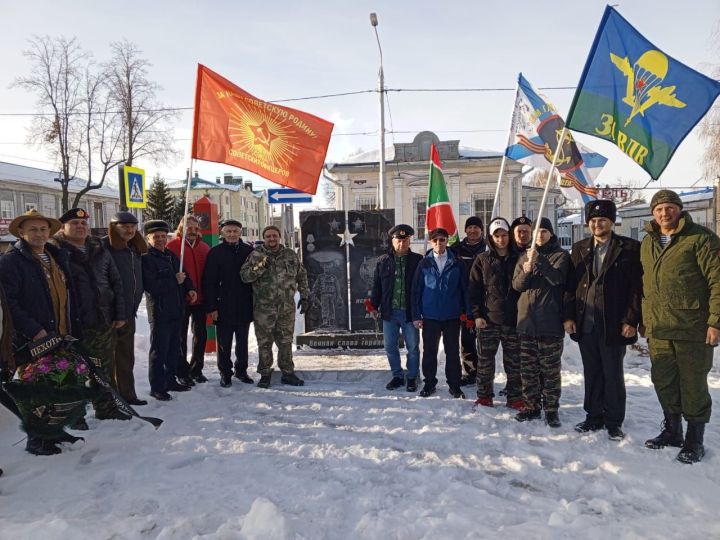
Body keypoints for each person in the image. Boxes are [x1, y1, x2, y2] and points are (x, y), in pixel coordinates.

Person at [640, 190, 720, 464]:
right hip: (659, 328)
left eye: (670, 208)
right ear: (653, 213)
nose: (664, 213)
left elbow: (717, 282)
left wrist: (715, 322)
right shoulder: (647, 242)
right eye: (659, 209)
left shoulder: (701, 239)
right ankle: (673, 431)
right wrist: (645, 320)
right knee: (664, 381)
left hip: (692, 328)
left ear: (679, 210)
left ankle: (694, 441)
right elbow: (646, 286)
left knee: (693, 384)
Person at [0, 209, 85, 454]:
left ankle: (53, 431)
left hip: (59, 333)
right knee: (37, 389)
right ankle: (37, 440)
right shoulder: (11, 261)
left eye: (43, 229)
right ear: (21, 232)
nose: (39, 234)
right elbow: (9, 303)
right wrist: (34, 330)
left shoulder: (55, 256)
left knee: (57, 387)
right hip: (32, 340)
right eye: (33, 229)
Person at [563, 200, 642, 441]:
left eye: (602, 220)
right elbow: (570, 285)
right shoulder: (579, 248)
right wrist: (568, 317)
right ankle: (593, 416)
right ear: (588, 224)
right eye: (593, 221)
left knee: (612, 373)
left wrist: (631, 319)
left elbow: (636, 289)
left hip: (614, 323)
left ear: (611, 221)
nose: (597, 224)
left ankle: (614, 421)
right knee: (592, 372)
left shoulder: (629, 248)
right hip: (586, 322)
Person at [54, 208, 129, 421]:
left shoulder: (98, 249)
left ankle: (107, 408)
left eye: (83, 223)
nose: (80, 227)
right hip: (72, 324)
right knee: (72, 372)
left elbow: (115, 282)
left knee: (103, 368)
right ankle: (75, 417)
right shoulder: (56, 251)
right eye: (75, 224)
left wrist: (119, 313)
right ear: (63, 227)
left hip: (102, 320)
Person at [512, 217, 571, 427]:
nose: (540, 235)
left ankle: (552, 409)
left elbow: (557, 279)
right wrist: (527, 270)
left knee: (550, 371)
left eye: (544, 231)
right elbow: (517, 285)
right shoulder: (523, 257)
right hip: (527, 322)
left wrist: (540, 261)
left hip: (550, 323)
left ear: (551, 234)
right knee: (528, 370)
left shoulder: (561, 256)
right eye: (537, 232)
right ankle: (531, 406)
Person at [240, 225, 309, 388]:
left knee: (285, 341)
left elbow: (302, 275)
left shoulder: (290, 255)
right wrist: (261, 266)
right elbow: (245, 276)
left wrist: (305, 296)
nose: (272, 239)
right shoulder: (256, 255)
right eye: (268, 236)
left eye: (274, 236)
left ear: (279, 237)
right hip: (264, 309)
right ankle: (265, 373)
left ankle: (288, 372)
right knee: (264, 342)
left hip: (286, 307)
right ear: (264, 238)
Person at [468, 217, 523, 409]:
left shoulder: (519, 258)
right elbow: (473, 290)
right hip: (488, 320)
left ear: (509, 235)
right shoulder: (482, 260)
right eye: (497, 236)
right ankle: (484, 396)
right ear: (491, 238)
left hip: (513, 320)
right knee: (485, 362)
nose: (501, 239)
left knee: (514, 363)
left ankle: (515, 397)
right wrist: (477, 315)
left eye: (504, 235)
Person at [412, 227, 472, 399]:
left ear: (447, 241)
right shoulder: (424, 263)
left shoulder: (457, 262)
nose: (439, 243)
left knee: (452, 351)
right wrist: (416, 315)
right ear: (431, 242)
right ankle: (429, 383)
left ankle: (454, 385)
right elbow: (416, 290)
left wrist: (468, 313)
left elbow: (465, 289)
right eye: (436, 240)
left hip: (452, 316)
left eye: (442, 240)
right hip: (430, 316)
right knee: (429, 351)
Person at [142, 220, 197, 401]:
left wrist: (189, 288)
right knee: (159, 351)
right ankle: (157, 387)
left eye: (163, 236)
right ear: (148, 238)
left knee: (174, 349)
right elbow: (151, 286)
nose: (160, 240)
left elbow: (184, 275)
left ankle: (170, 379)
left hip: (176, 310)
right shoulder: (146, 258)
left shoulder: (171, 255)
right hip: (160, 312)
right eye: (155, 237)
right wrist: (175, 280)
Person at [368, 224, 422, 392]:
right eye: (398, 239)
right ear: (392, 240)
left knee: (412, 347)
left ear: (409, 240)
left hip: (410, 312)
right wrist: (373, 306)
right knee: (390, 347)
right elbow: (377, 286)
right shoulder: (383, 261)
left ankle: (412, 377)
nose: (402, 242)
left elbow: (422, 287)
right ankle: (397, 375)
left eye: (405, 239)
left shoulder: (418, 261)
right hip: (389, 313)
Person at [102, 211, 148, 406]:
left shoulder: (134, 248)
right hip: (109, 315)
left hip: (129, 312)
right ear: (114, 227)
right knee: (108, 361)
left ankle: (128, 394)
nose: (129, 230)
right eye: (124, 226)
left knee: (126, 357)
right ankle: (109, 400)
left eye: (132, 226)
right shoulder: (104, 247)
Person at [203, 219, 254, 388]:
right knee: (224, 343)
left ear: (240, 233)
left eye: (235, 231)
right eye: (229, 231)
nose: (232, 234)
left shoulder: (249, 251)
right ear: (222, 233)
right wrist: (212, 306)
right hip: (223, 305)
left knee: (242, 341)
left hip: (244, 304)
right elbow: (209, 281)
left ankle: (241, 370)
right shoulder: (215, 253)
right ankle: (225, 373)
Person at [167, 215, 210, 386]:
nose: (192, 231)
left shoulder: (205, 248)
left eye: (195, 228)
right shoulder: (173, 247)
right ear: (181, 229)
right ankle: (181, 371)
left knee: (200, 335)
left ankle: (196, 369)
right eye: (188, 228)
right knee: (180, 336)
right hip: (181, 299)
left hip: (200, 299)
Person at [451, 216, 486, 386]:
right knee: (466, 340)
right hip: (463, 301)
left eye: (476, 227)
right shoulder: (456, 250)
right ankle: (471, 372)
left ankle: (485, 374)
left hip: (486, 301)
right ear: (465, 230)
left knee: (486, 342)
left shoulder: (489, 248)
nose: (473, 230)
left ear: (481, 230)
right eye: (470, 227)